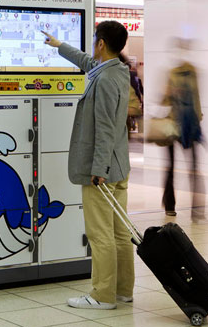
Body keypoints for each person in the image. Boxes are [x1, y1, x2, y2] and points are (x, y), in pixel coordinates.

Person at [42, 21, 134, 311]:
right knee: (120, 233)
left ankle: (102, 295)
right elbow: (87, 62)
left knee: (100, 234)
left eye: (95, 40)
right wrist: (60, 46)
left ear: (102, 43)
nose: (93, 45)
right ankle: (122, 290)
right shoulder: (117, 71)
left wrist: (98, 170)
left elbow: (105, 129)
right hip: (119, 168)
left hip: (103, 172)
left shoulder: (106, 80)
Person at [161, 40, 204, 219]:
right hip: (189, 124)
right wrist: (198, 118)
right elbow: (197, 99)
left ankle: (170, 205)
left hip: (174, 124)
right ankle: (196, 210)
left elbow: (165, 100)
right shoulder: (192, 72)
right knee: (193, 168)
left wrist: (170, 95)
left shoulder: (173, 73)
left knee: (172, 167)